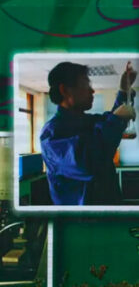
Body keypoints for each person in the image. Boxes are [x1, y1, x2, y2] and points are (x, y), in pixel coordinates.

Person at [40, 61, 136, 205]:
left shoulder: (86, 121)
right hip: (80, 223)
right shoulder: (52, 134)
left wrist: (123, 91)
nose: (92, 91)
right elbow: (87, 164)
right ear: (65, 90)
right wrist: (116, 119)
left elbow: (108, 120)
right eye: (86, 85)